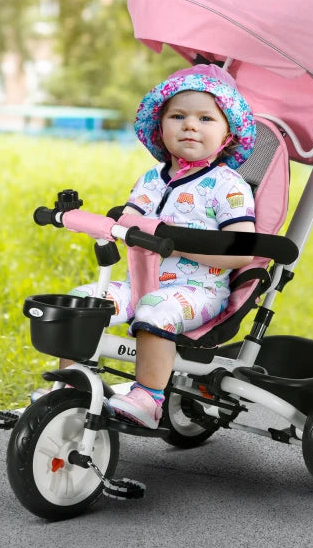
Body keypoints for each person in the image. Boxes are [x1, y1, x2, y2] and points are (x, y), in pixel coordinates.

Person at [68, 64, 257, 429]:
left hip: (198, 290)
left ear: (228, 134)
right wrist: (89, 220)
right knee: (83, 301)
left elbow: (242, 251)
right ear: (160, 126)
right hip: (143, 283)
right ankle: (70, 389)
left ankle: (149, 398)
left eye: (205, 118)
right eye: (178, 116)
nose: (190, 125)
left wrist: (174, 245)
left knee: (155, 308)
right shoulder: (151, 179)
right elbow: (128, 219)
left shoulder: (228, 185)